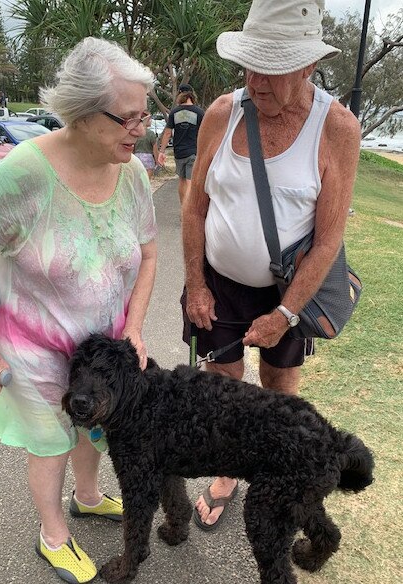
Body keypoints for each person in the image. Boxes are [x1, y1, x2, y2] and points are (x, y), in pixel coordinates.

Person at [0, 37, 157, 583]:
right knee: (52, 439)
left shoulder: (133, 172)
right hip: (33, 344)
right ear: (81, 112)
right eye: (127, 118)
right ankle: (53, 535)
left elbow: (148, 252)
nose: (140, 129)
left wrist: (136, 328)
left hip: (102, 342)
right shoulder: (24, 176)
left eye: (145, 113)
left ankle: (89, 496)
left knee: (95, 426)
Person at [181, 0, 361, 531]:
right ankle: (228, 471)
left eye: (271, 69)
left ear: (307, 66)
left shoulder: (338, 129)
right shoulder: (222, 112)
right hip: (217, 282)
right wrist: (195, 283)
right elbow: (194, 205)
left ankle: (278, 471)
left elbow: (328, 241)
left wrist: (285, 313)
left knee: (279, 381)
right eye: (249, 66)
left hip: (289, 286)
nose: (255, 82)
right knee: (222, 379)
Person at [158, 84, 204, 204]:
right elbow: (205, 133)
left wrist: (161, 151)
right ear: (192, 95)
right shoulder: (199, 112)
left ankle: (183, 207)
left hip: (179, 152)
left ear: (180, 94)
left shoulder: (174, 112)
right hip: (194, 151)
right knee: (190, 181)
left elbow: (168, 133)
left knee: (182, 180)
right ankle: (188, 210)